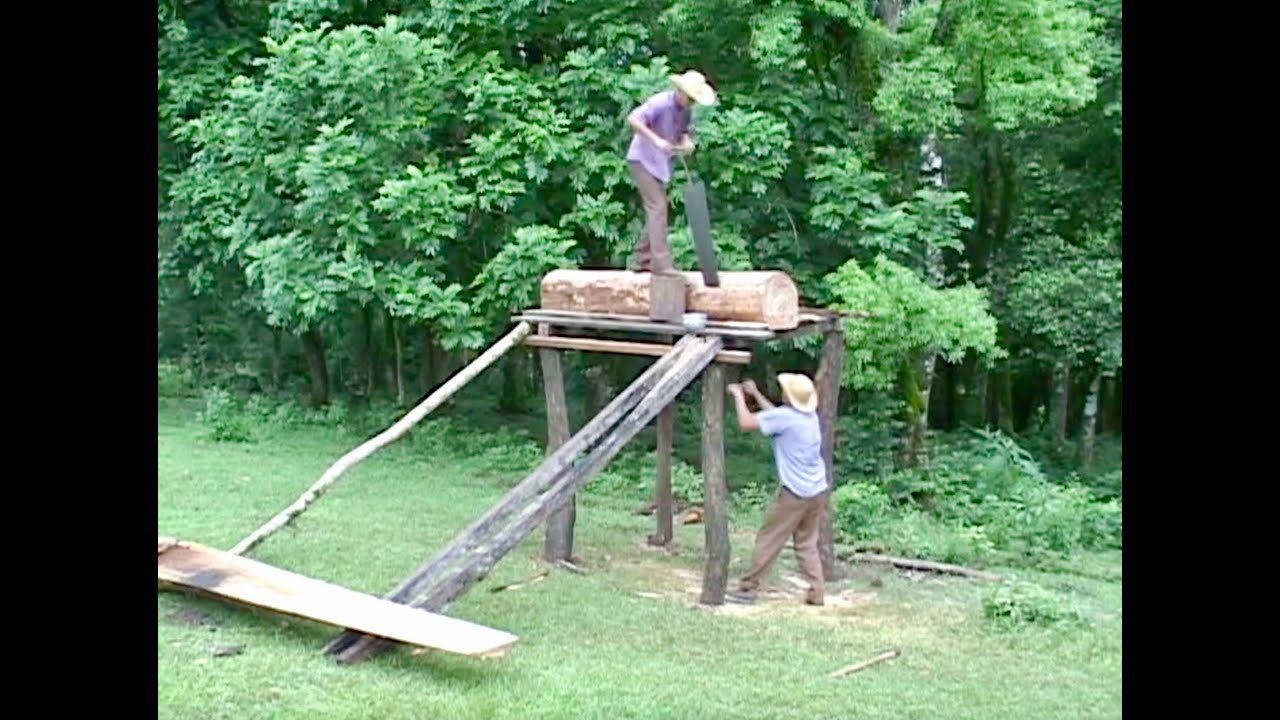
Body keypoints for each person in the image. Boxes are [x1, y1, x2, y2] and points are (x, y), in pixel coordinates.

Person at [725, 374, 828, 606]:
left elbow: (746, 423)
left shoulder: (786, 418)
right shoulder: (809, 417)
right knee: (806, 544)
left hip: (794, 493)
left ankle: (748, 588)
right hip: (816, 491)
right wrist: (756, 394)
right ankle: (817, 591)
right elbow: (776, 415)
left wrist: (738, 395)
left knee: (769, 538)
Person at [624, 70, 717, 274]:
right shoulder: (661, 102)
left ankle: (641, 259)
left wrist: (687, 143)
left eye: (694, 100)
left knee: (658, 208)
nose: (691, 103)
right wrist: (656, 139)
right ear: (680, 91)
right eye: (690, 98)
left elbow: (683, 133)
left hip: (658, 165)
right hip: (642, 160)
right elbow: (633, 118)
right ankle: (661, 264)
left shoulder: (686, 111)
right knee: (658, 207)